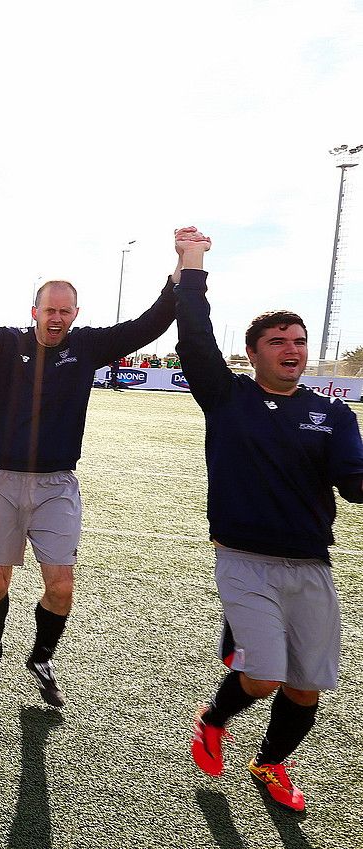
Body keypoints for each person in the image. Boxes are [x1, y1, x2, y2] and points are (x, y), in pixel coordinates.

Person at [174, 228, 363, 813]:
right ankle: (213, 718)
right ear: (253, 352)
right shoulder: (227, 398)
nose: (292, 349)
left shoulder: (331, 414)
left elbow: (355, 483)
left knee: (307, 686)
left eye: (299, 341)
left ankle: (270, 764)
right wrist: (193, 265)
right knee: (263, 677)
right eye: (278, 341)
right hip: (242, 560)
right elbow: (196, 339)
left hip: (311, 565)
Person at [0, 244, 179, 707]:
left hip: (57, 485)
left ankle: (41, 657)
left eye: (64, 311)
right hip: (0, 480)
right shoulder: (6, 342)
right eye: (48, 309)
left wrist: (180, 272)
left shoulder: (87, 345)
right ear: (34, 310)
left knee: (61, 586)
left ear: (75, 314)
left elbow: (148, 324)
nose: (56, 318)